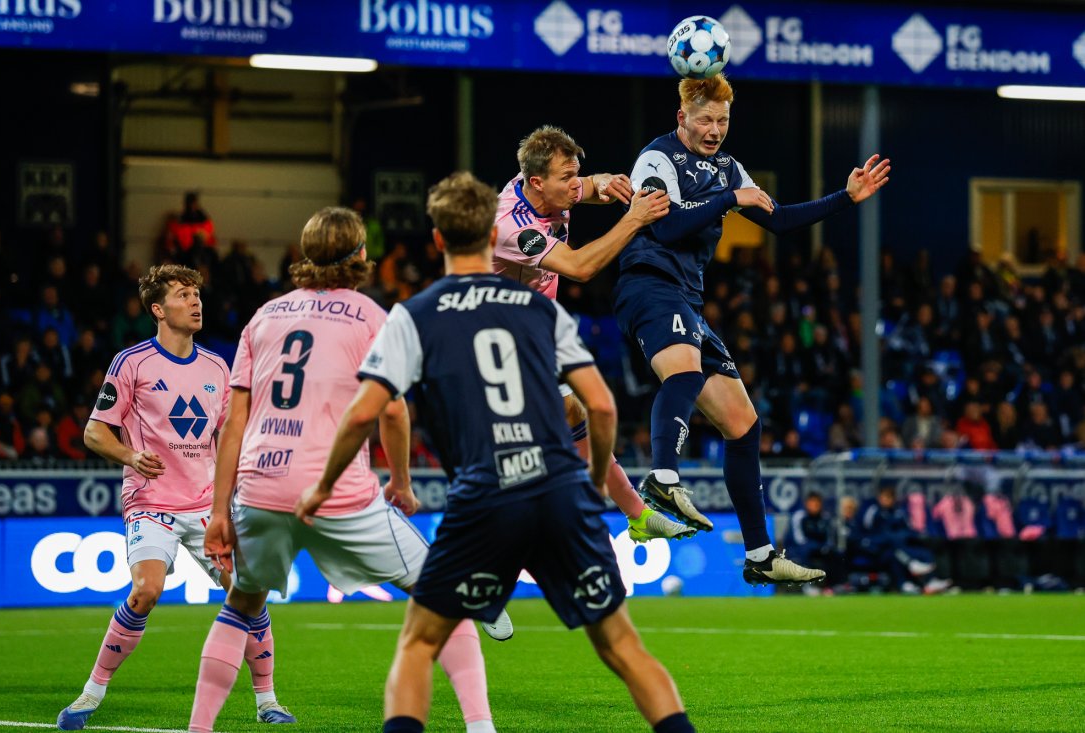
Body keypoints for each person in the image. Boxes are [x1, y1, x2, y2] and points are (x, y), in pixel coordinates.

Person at [296, 171, 696, 733]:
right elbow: (602, 408)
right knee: (623, 648)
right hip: (560, 493)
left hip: (483, 497)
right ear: (494, 232)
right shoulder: (542, 311)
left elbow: (367, 412)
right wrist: (596, 479)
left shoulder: (413, 315)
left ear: (437, 239)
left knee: (418, 644)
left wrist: (321, 486)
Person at [189, 207, 500, 733]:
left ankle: (198, 729)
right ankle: (481, 726)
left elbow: (232, 425)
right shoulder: (374, 317)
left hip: (259, 488)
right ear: (359, 256)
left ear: (305, 255)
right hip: (332, 490)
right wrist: (400, 482)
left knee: (241, 604)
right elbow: (394, 410)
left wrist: (220, 510)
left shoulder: (263, 317)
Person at [614, 74, 889, 585]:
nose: (715, 129)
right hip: (648, 285)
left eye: (722, 120)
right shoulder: (656, 159)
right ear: (682, 118)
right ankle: (663, 477)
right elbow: (668, 225)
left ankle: (760, 555)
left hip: (687, 299)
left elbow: (778, 219)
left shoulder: (729, 168)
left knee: (743, 422)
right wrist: (727, 199)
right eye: (705, 120)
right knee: (685, 371)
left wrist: (845, 199)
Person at [57, 264, 291, 730]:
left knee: (247, 594)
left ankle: (268, 701)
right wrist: (131, 455)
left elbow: (229, 436)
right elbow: (94, 432)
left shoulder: (216, 367)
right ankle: (90, 693)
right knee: (146, 590)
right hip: (151, 500)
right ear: (158, 309)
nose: (196, 302)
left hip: (205, 504)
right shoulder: (132, 363)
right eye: (184, 295)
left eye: (197, 294)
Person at [492, 125, 690, 543]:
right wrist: (634, 219)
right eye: (567, 178)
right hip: (496, 340)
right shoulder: (513, 225)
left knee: (574, 414)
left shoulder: (551, 187)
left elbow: (592, 187)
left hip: (533, 332)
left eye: (573, 173)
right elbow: (581, 268)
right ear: (536, 182)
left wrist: (607, 183)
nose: (573, 185)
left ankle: (636, 515)